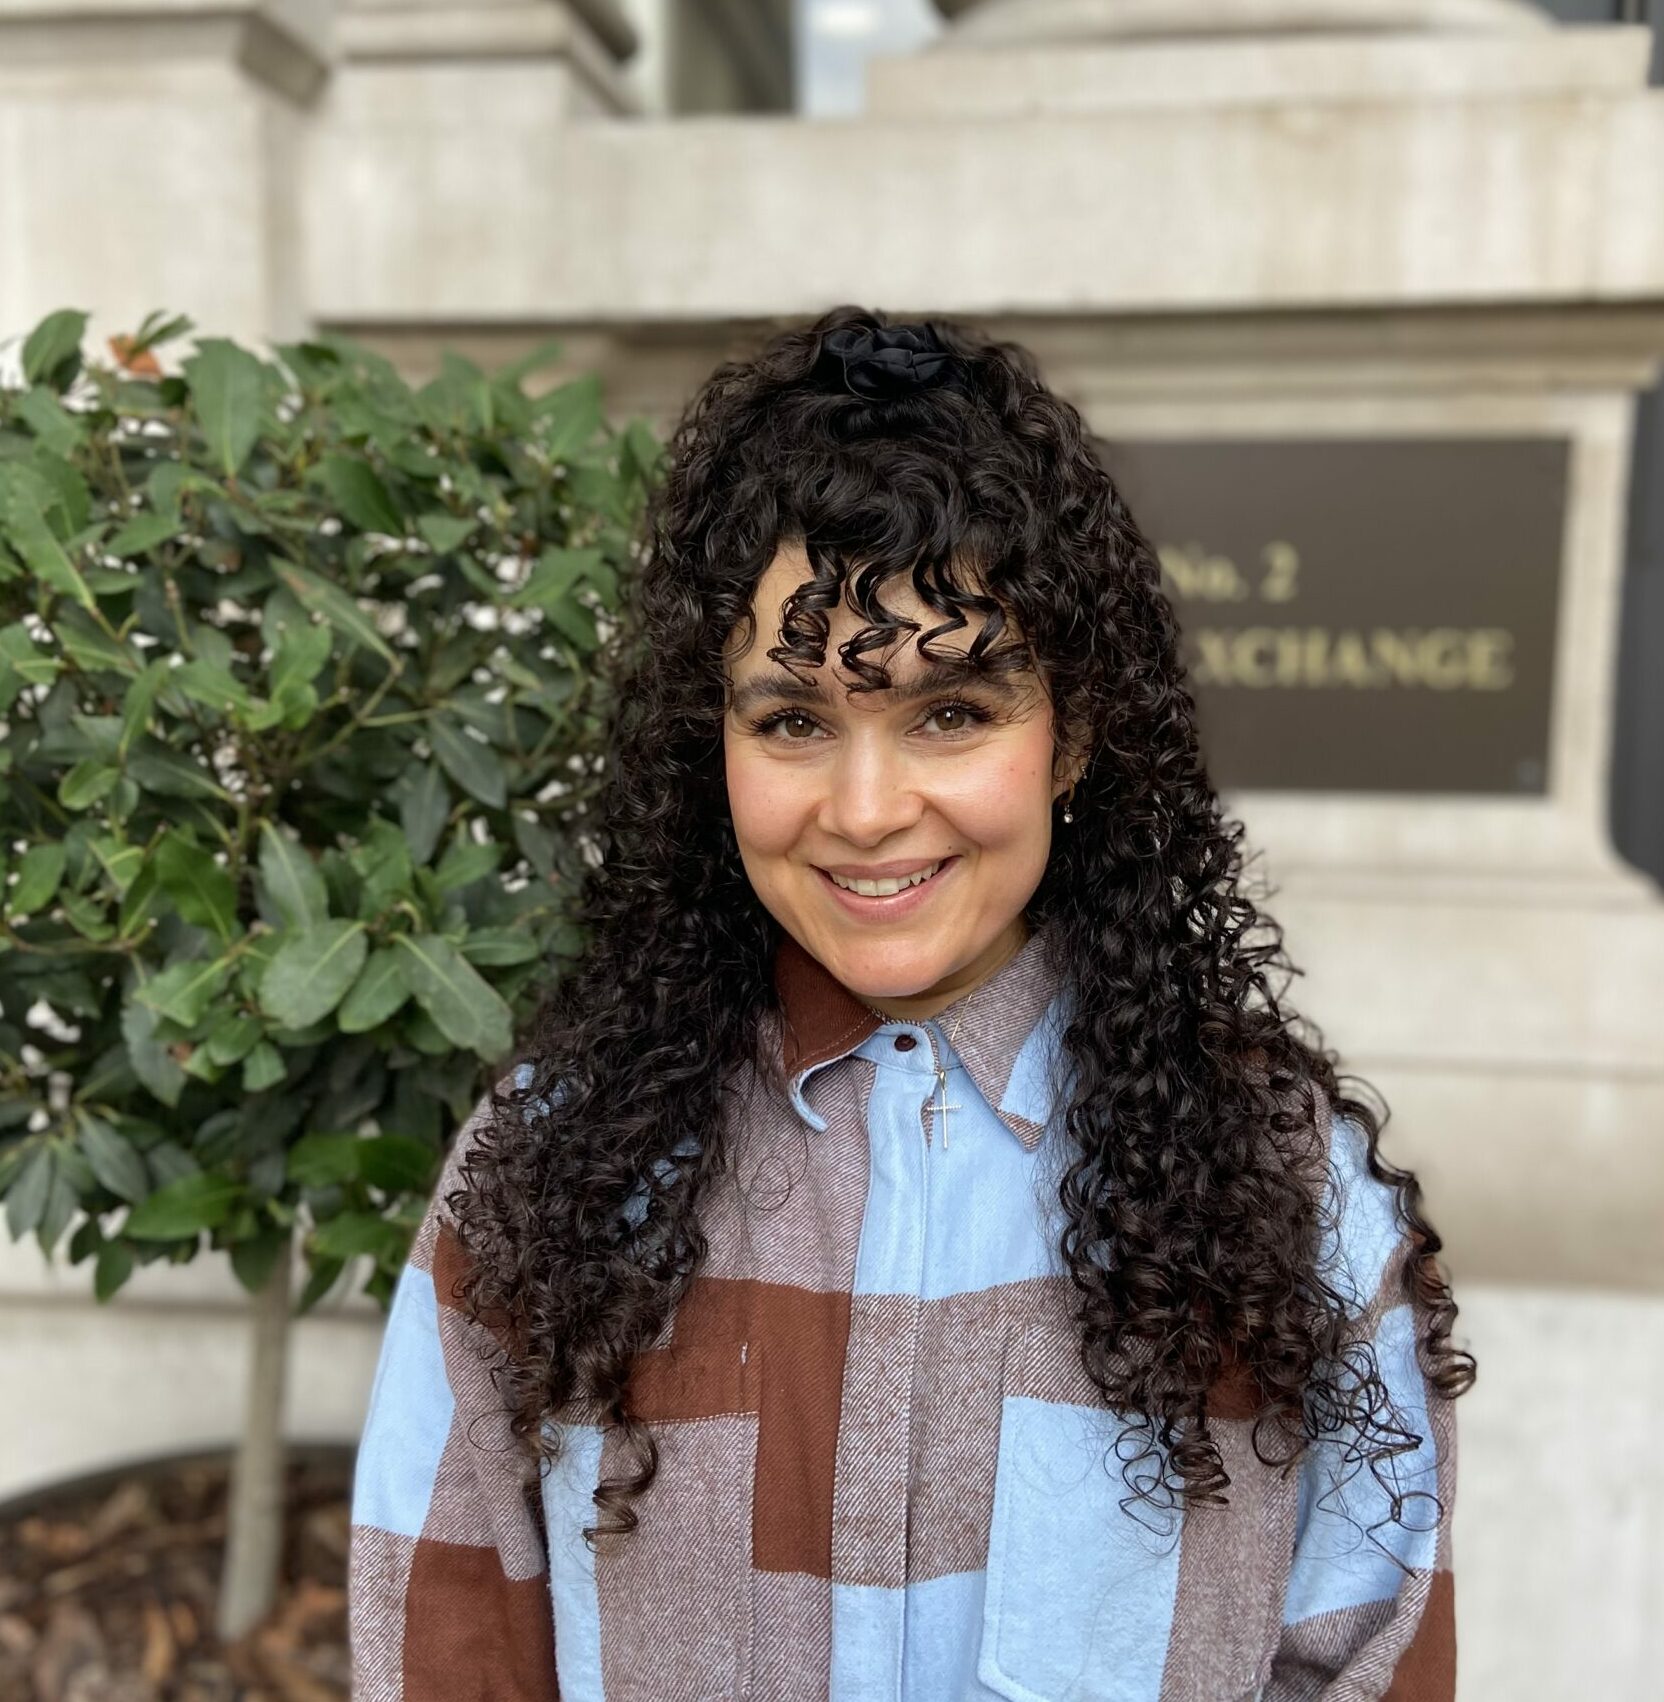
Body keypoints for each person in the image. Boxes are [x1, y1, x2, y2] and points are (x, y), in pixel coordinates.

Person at [346, 307, 1475, 1701]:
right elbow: (448, 1640)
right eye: (794, 720)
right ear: (717, 747)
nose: (869, 811)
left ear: (1078, 734)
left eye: (952, 712)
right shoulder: (551, 1166)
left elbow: (1369, 1653)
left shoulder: (1281, 1186)